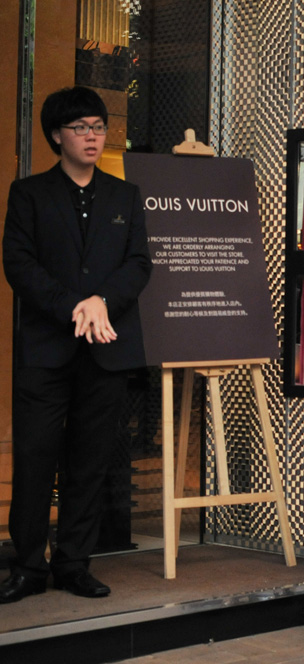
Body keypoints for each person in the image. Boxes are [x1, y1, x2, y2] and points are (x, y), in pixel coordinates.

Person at [1, 87, 152, 602]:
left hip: (105, 351)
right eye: (81, 127)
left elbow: (139, 264)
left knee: (89, 461)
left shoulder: (124, 196)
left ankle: (73, 564)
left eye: (98, 126)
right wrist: (76, 307)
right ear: (56, 135)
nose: (93, 136)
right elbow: (19, 264)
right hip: (46, 350)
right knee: (35, 457)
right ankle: (28, 566)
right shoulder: (29, 194)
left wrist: (101, 302)